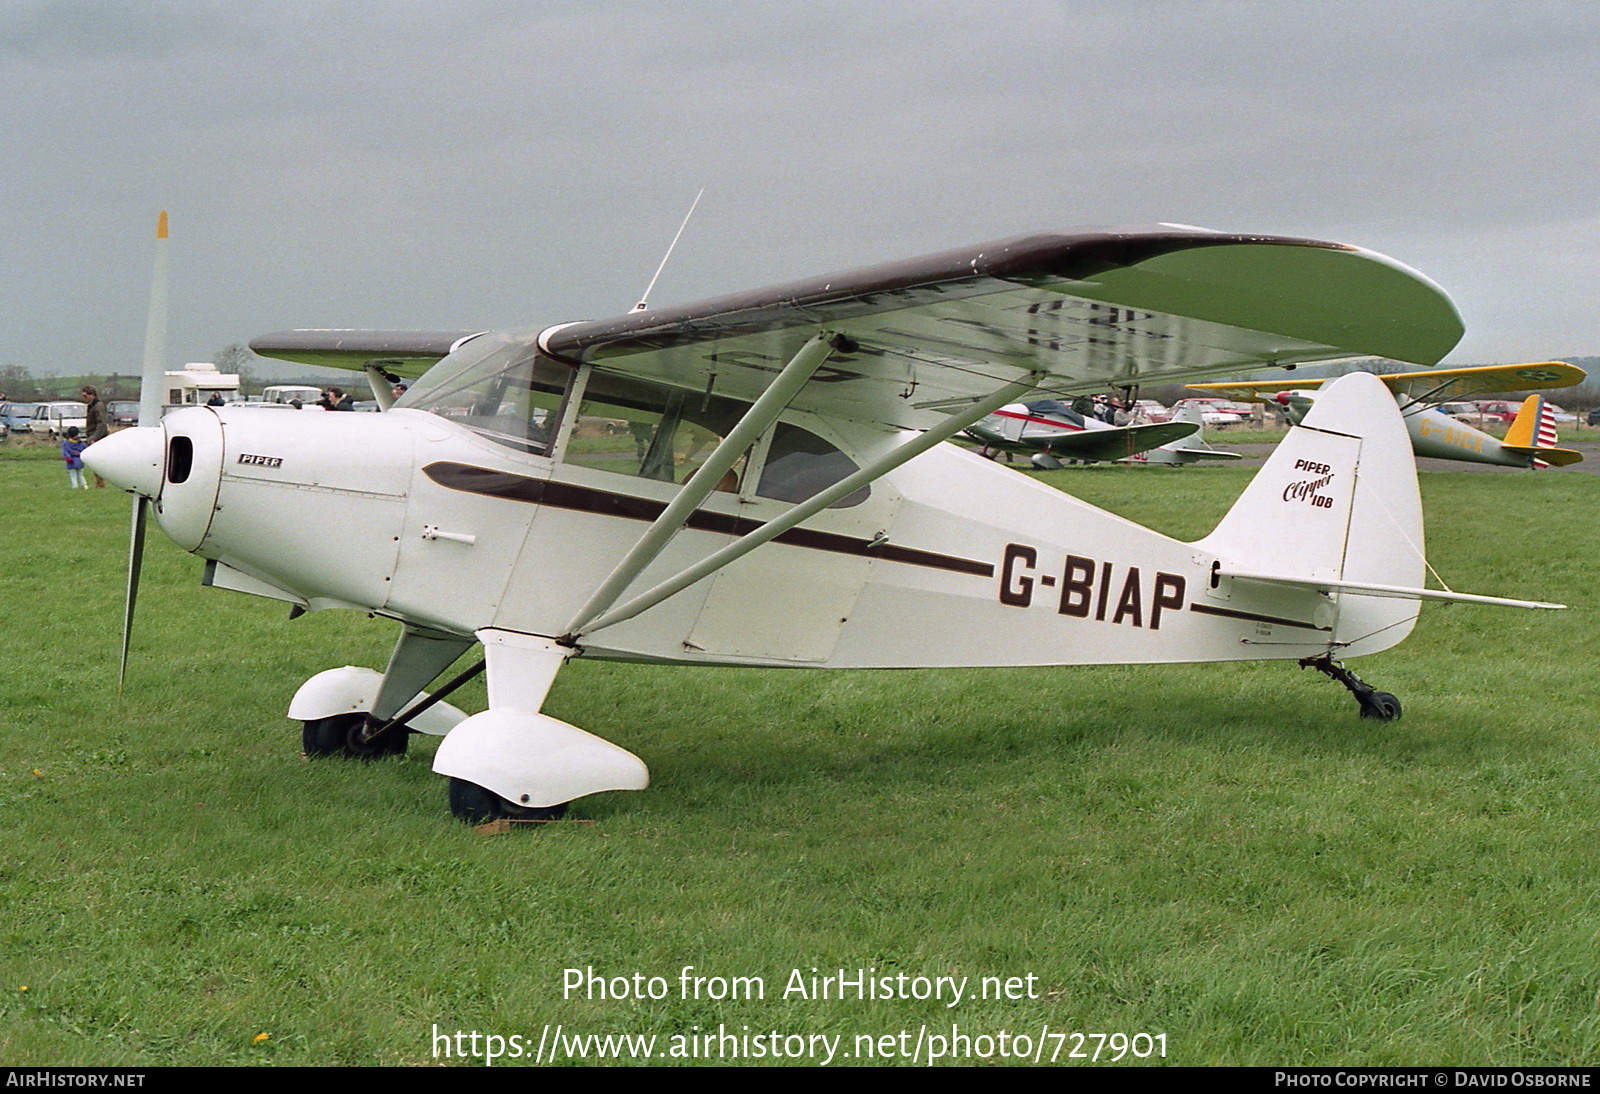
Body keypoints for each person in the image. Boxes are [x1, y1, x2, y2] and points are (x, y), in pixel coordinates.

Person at [81, 385, 109, 487]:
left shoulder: (98, 406)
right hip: (93, 436)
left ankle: (101, 483)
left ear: (92, 395)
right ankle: (99, 482)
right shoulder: (91, 406)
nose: (84, 398)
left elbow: (101, 424)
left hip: (98, 438)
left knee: (97, 461)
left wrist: (94, 438)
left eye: (85, 396)